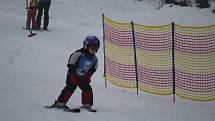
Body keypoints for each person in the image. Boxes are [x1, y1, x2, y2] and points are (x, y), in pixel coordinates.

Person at [51, 35, 100, 110]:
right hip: (72, 75)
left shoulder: (94, 59)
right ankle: (60, 103)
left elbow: (93, 69)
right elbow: (71, 64)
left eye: (95, 49)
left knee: (87, 88)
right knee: (70, 87)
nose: (93, 50)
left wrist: (88, 76)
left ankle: (87, 105)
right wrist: (73, 75)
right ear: (86, 46)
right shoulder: (78, 54)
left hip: (83, 77)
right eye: (92, 48)